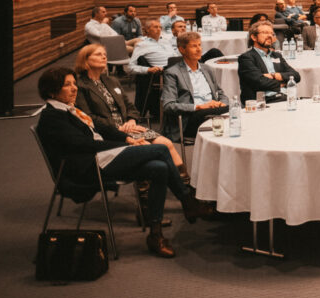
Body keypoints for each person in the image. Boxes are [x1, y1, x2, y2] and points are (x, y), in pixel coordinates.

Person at [36, 67, 212, 258]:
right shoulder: (52, 116)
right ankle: (187, 201)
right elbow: (83, 144)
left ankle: (156, 234)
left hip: (101, 156)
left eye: (73, 83)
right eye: (67, 85)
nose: (74, 88)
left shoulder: (69, 109)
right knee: (160, 149)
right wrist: (122, 145)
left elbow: (101, 128)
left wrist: (127, 139)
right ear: (52, 91)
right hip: (86, 167)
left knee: (159, 168)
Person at [74, 43, 186, 172]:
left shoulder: (111, 81)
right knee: (148, 147)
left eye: (104, 55)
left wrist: (132, 120)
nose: (104, 57)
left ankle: (183, 179)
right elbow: (88, 117)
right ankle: (146, 182)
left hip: (129, 127)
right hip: (109, 132)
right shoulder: (80, 85)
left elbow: (130, 106)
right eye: (98, 54)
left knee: (167, 143)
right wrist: (118, 127)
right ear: (85, 59)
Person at [160, 31, 228, 142]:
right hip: (190, 118)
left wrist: (223, 103)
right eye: (193, 46)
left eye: (200, 45)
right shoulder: (172, 73)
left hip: (214, 112)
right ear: (182, 50)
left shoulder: (207, 69)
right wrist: (199, 106)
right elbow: (168, 106)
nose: (199, 49)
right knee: (229, 113)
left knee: (235, 109)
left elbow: (221, 94)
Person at [237, 21, 301, 104]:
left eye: (272, 33)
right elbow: (260, 82)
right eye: (265, 33)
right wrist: (283, 83)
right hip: (264, 101)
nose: (270, 36)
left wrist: (273, 75)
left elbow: (296, 76)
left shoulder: (277, 55)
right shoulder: (247, 58)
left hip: (286, 97)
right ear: (254, 37)